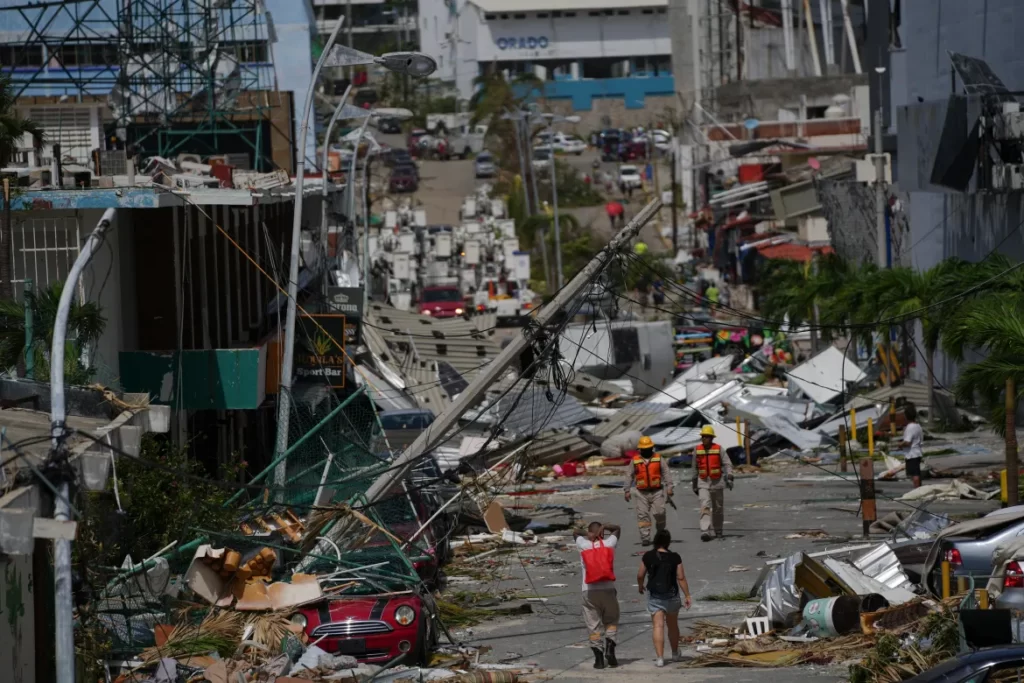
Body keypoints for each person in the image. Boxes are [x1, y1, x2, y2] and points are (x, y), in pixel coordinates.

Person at [637, 530, 692, 667]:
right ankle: (674, 653)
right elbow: (681, 577)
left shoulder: (648, 556)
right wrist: (687, 595)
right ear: (668, 542)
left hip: (655, 595)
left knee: (658, 626)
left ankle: (660, 658)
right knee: (672, 626)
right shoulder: (675, 557)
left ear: (655, 540)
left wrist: (640, 586)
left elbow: (640, 574)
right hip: (672, 594)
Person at [574, 521, 622, 669]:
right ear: (602, 533)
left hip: (588, 591)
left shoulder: (583, 544)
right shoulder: (609, 543)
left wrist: (588, 534)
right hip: (608, 589)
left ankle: (599, 659)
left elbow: (575, 532)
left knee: (593, 625)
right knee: (611, 621)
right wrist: (607, 527)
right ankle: (610, 649)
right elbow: (618, 528)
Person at [625, 436, 672, 546]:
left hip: (657, 491)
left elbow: (666, 473)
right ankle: (645, 537)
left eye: (648, 448)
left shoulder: (659, 458)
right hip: (641, 492)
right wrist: (626, 490)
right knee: (643, 515)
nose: (646, 451)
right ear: (640, 449)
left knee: (660, 513)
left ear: (652, 448)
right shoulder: (635, 460)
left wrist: (670, 487)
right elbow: (629, 475)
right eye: (644, 449)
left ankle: (660, 531)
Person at [691, 425, 733, 541]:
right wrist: (694, 483)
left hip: (717, 481)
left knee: (718, 507)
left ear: (711, 438)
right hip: (703, 481)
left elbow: (727, 463)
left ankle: (718, 530)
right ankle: (705, 531)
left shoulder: (719, 449)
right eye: (703, 437)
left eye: (707, 437)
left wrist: (729, 475)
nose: (704, 439)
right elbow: (694, 467)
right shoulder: (697, 450)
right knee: (704, 505)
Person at [899, 403, 924, 488]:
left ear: (906, 416)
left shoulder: (910, 427)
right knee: (917, 472)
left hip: (912, 454)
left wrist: (900, 445)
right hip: (918, 452)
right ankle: (919, 488)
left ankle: (917, 489)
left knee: (915, 474)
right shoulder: (918, 426)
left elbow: (907, 442)